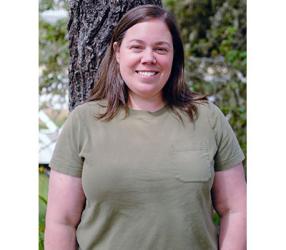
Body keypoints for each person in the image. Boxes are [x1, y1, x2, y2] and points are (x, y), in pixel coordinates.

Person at [45, 5, 246, 250]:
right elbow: (61, 222)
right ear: (118, 52)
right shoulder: (83, 122)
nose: (148, 58)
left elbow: (236, 209)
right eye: (137, 47)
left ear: (174, 55)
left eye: (160, 49)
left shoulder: (208, 119)